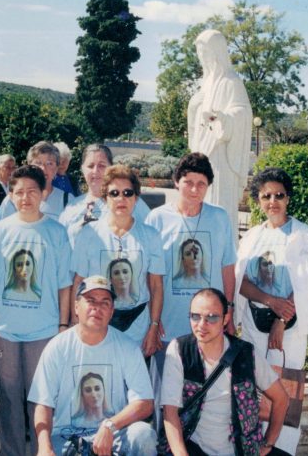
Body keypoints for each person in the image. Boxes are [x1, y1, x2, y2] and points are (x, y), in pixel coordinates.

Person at [0, 164, 72, 456]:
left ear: (43, 193)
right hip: (4, 331)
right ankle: (11, 451)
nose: (26, 197)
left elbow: (65, 286)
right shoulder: (0, 230)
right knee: (8, 398)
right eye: (19, 192)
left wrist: (63, 327)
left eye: (32, 191)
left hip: (43, 331)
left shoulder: (56, 232)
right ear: (12, 195)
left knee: (40, 398)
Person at [235, 168, 308, 456]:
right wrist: (269, 300)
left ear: (288, 198)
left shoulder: (303, 235)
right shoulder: (251, 237)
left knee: (285, 389)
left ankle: (279, 450)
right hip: (253, 324)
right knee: (255, 388)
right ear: (257, 200)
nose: (272, 201)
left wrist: (281, 319)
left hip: (288, 330)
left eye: (279, 195)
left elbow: (307, 284)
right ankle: (254, 447)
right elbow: (242, 283)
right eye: (266, 196)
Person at [28, 276, 156, 456]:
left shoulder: (127, 347)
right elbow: (43, 403)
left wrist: (110, 425)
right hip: (67, 437)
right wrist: (43, 445)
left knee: (143, 435)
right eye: (90, 301)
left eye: (105, 303)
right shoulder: (57, 347)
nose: (97, 308)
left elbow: (145, 403)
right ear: (76, 307)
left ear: (112, 311)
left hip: (114, 435)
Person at [160, 288, 288, 456]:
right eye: (195, 316)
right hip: (194, 447)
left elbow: (281, 398)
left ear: (226, 319)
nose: (201, 325)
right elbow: (170, 412)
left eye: (211, 317)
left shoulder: (246, 353)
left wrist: (268, 443)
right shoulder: (179, 350)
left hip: (244, 449)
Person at [71, 164, 164, 357]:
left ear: (136, 198)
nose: (121, 198)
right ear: (105, 198)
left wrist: (154, 326)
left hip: (137, 323)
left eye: (128, 193)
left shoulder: (151, 236)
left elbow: (156, 286)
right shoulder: (88, 234)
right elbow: (79, 282)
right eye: (114, 193)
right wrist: (75, 322)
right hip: (96, 319)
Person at [145, 153, 236, 348]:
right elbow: (149, 275)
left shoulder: (220, 218)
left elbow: (227, 267)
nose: (194, 190)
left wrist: (229, 309)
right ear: (176, 182)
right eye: (188, 182)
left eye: (201, 184)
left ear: (208, 186)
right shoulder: (156, 219)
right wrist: (153, 318)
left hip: (210, 329)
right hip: (168, 327)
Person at [186, 29, 254, 234]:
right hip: (202, 155)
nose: (202, 58)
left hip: (221, 158)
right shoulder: (205, 84)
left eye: (205, 53)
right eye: (199, 53)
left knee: (218, 206)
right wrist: (193, 106)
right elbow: (194, 120)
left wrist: (224, 119)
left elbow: (243, 113)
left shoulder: (232, 82)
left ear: (216, 52)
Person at [59, 145, 150, 245]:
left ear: (111, 168)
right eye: (90, 166)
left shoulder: (132, 204)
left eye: (102, 165)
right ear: (82, 169)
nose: (95, 171)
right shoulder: (72, 208)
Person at [0, 141, 70, 221]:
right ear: (29, 166)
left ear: (57, 168)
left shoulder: (67, 200)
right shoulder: (13, 200)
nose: (43, 168)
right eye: (38, 163)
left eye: (49, 163)